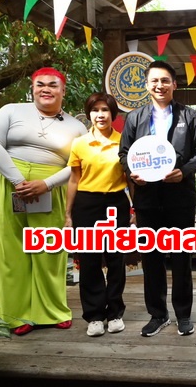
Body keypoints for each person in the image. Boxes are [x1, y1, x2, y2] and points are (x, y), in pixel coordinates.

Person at [0, 67, 87, 335]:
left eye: (53, 85)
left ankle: (51, 310)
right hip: (11, 184)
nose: (46, 89)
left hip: (51, 188)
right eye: (40, 84)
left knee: (49, 248)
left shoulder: (77, 127)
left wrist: (47, 184)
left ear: (63, 90)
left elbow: (78, 164)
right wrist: (18, 180)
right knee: (12, 249)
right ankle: (14, 314)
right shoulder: (11, 110)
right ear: (33, 88)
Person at [119, 61, 196, 337]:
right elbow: (124, 154)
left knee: (182, 257)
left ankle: (183, 315)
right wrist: (133, 174)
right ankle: (157, 315)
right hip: (147, 198)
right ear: (147, 85)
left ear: (174, 84)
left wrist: (184, 172)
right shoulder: (134, 118)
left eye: (165, 80)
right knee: (151, 258)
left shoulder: (189, 116)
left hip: (180, 197)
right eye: (155, 81)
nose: (160, 86)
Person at [65, 93, 130, 337]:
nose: (100, 115)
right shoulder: (79, 143)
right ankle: (94, 316)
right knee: (89, 261)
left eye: (105, 110)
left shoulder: (124, 141)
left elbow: (130, 179)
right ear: (89, 114)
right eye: (95, 110)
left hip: (116, 203)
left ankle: (115, 313)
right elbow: (74, 179)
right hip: (86, 204)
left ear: (113, 114)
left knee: (116, 260)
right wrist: (68, 214)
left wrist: (135, 208)